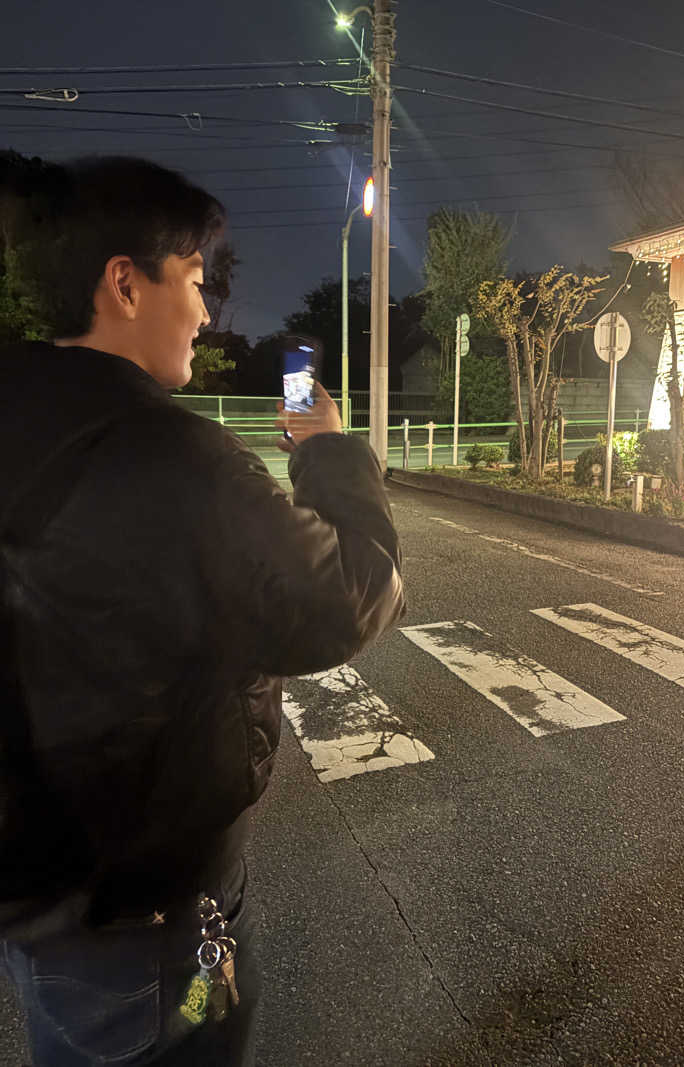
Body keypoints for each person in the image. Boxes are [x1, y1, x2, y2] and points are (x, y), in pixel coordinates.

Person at [0, 154, 404, 1065]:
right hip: (147, 916)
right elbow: (351, 594)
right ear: (124, 285)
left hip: (33, 893)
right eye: (189, 278)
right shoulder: (182, 461)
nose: (205, 309)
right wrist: (332, 449)